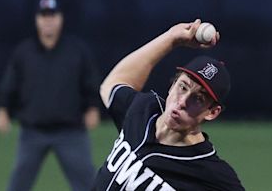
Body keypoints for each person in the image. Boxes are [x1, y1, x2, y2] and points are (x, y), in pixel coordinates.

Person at [92, 19, 244, 190]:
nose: (182, 101)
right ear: (172, 85)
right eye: (183, 87)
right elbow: (112, 84)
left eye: (198, 98)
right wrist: (171, 38)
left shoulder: (212, 174)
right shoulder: (144, 110)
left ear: (211, 112)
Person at [0, 0, 100, 191]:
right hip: (33, 131)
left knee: (88, 184)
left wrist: (93, 107)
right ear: (37, 20)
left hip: (71, 131)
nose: (48, 21)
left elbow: (91, 82)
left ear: (61, 19)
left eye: (53, 16)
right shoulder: (24, 52)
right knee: (18, 184)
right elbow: (10, 83)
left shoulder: (77, 50)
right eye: (44, 16)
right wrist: (3, 109)